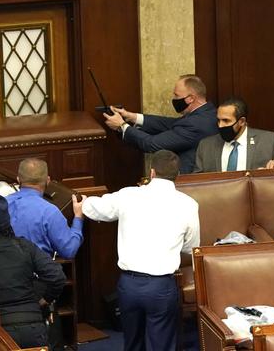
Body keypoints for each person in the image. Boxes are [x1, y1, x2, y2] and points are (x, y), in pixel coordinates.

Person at [82, 150, 200, 351]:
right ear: (177, 175)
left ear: (152, 172)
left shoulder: (128, 195)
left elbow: (96, 208)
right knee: (161, 346)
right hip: (162, 287)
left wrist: (82, 202)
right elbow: (191, 247)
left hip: (129, 286)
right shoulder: (188, 204)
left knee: (132, 344)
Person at [0, 195, 65, 349]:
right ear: (7, 220)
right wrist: (44, 300)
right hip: (33, 328)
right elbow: (57, 276)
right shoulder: (25, 246)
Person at [104, 74, 218, 174]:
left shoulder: (195, 124)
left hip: (187, 182)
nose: (174, 99)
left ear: (191, 98)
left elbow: (151, 144)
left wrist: (122, 126)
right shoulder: (208, 113)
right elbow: (170, 123)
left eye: (176, 95)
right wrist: (132, 117)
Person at [6, 158, 86, 260]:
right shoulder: (49, 212)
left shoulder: (2, 204)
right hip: (36, 273)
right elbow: (68, 250)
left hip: (3, 273)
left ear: (18, 180)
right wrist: (78, 218)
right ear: (48, 181)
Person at [194, 97, 274, 172]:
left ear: (241, 121)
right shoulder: (206, 145)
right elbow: (197, 180)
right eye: (218, 120)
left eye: (226, 121)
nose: (220, 125)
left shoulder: (269, 141)